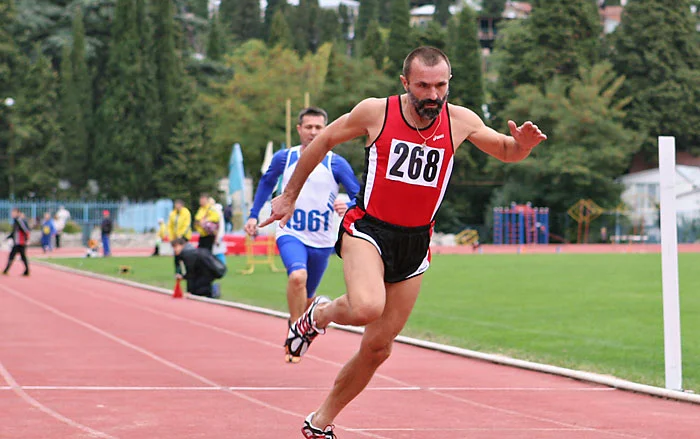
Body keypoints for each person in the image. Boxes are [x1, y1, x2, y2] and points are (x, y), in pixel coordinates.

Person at [260, 47, 547, 437]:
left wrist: (524, 145)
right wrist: (290, 194)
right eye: (423, 86)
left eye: (441, 85)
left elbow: (507, 151)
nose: (432, 95)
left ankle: (320, 422)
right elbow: (324, 139)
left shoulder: (460, 120)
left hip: (415, 243)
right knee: (365, 306)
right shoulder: (376, 112)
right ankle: (317, 315)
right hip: (368, 230)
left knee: (378, 348)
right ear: (405, 83)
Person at [246, 106, 360, 364]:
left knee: (308, 297)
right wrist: (253, 215)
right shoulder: (284, 159)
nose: (313, 132)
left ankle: (301, 327)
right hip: (291, 233)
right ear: (299, 130)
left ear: (327, 130)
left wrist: (350, 205)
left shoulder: (336, 163)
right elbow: (265, 183)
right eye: (308, 127)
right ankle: (295, 331)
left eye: (319, 127)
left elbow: (359, 194)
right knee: (297, 277)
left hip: (321, 241)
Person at [3, 208, 31, 276]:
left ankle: (6, 270)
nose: (12, 214)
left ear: (18, 213)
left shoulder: (19, 220)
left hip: (20, 242)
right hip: (17, 242)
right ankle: (26, 271)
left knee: (16, 256)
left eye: (14, 212)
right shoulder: (15, 221)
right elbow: (14, 232)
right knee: (19, 256)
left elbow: (26, 230)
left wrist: (27, 239)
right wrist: (8, 237)